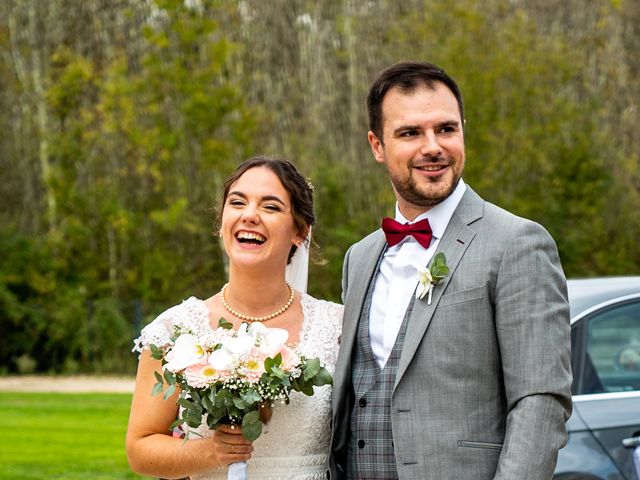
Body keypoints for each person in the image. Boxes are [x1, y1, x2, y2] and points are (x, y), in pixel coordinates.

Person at [330, 61, 572, 479]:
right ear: (376, 145)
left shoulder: (517, 243)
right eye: (410, 133)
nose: (433, 147)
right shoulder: (360, 256)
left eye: (446, 128)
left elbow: (540, 401)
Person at [126, 156, 342, 480]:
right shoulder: (175, 330)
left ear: (300, 231)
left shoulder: (339, 327)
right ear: (221, 222)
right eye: (237, 202)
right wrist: (210, 451)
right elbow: (140, 449)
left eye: (270, 207)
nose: (249, 215)